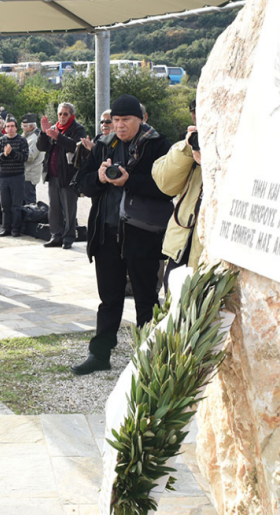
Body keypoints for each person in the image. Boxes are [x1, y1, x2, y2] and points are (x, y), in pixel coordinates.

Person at [72, 95, 173, 375]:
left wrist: (130, 181)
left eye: (125, 120)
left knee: (146, 299)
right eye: (115, 120)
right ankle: (99, 354)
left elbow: (167, 189)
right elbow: (81, 183)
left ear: (140, 119)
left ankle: (151, 358)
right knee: (109, 299)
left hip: (143, 234)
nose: (119, 125)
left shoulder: (157, 145)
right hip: (106, 234)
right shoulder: (104, 145)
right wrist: (99, 178)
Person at [152, 102, 203, 283]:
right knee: (174, 299)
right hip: (182, 246)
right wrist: (188, 149)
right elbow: (166, 184)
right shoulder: (188, 146)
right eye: (195, 113)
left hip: (208, 254)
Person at [37, 102, 88, 250]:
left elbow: (76, 147)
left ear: (72, 115)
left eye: (65, 114)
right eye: (60, 114)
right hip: (53, 175)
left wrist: (58, 137)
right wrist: (43, 133)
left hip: (68, 176)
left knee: (69, 208)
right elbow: (41, 147)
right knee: (54, 208)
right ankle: (56, 236)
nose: (62, 117)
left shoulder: (78, 129)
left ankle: (68, 237)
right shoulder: (53, 128)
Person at [0, 118, 29, 237]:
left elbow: (24, 157)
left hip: (17, 176)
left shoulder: (22, 140)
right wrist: (5, 154)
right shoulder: (0, 141)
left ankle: (16, 229)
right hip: (3, 176)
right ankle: (6, 228)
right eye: (8, 126)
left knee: (16, 205)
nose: (10, 128)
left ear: (16, 128)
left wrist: (12, 152)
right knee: (5, 205)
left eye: (12, 126)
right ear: (5, 128)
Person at [20, 114, 44, 205]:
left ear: (31, 127)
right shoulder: (27, 135)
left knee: (29, 203)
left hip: (29, 176)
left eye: (25, 126)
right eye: (22, 125)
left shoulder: (35, 138)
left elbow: (30, 157)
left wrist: (15, 153)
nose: (22, 127)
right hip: (26, 174)